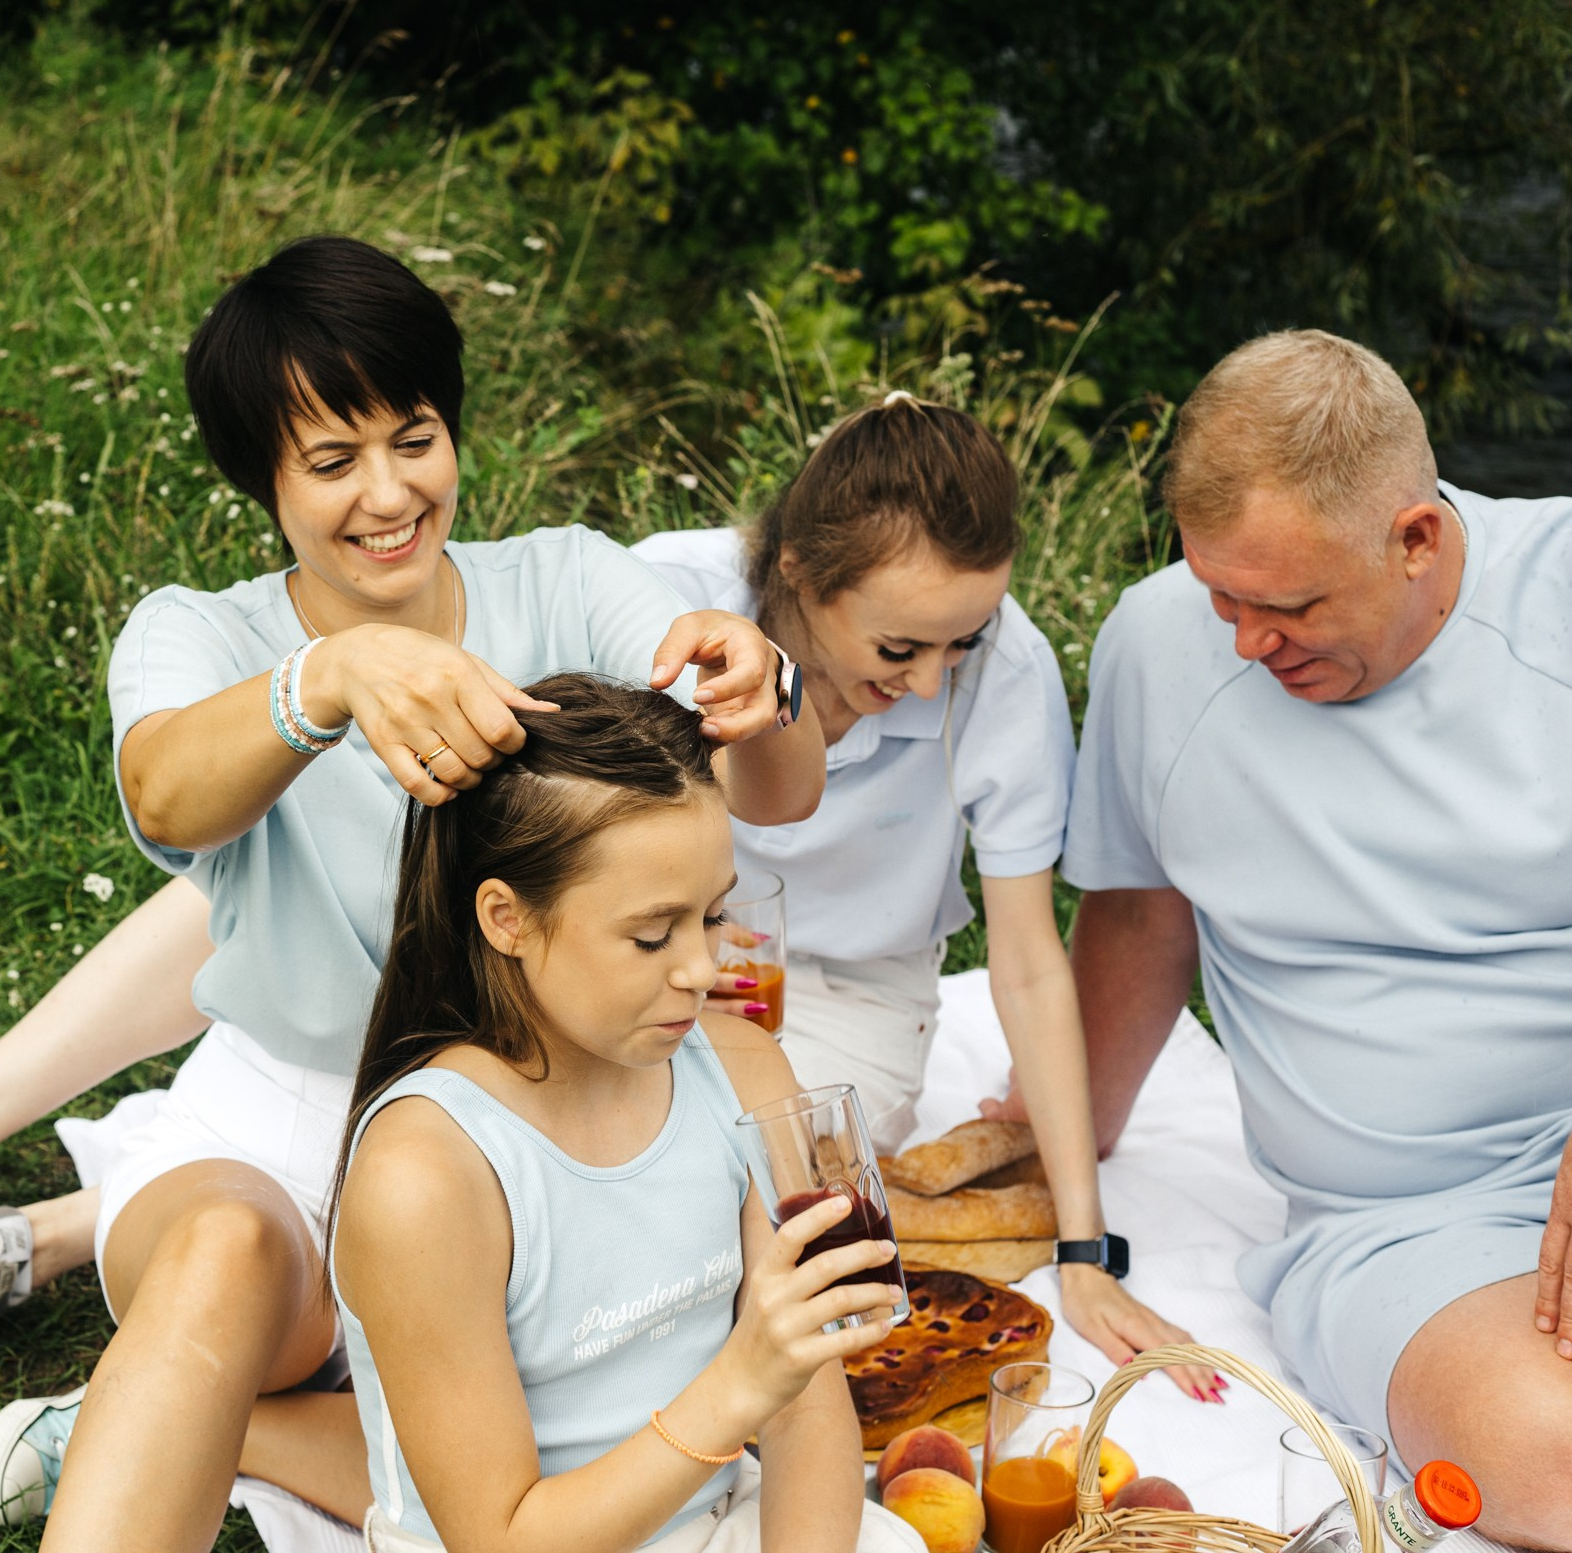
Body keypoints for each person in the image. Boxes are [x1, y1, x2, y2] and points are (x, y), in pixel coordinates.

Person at [0, 235, 821, 1546]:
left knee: (573, 1422)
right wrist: (328, 680)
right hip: (286, 1140)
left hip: (543, 1118)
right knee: (222, 1260)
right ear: (264, 480)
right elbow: (165, 793)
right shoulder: (204, 634)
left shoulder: (567, 579)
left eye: (413, 438)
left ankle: (175, 1428)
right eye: (332, 461)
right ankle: (191, 1398)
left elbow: (771, 787)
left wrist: (764, 682)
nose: (388, 493)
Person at [1051, 329, 1572, 1546]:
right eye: (1218, 595)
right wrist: (1063, 1131)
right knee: (1550, 1453)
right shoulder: (1153, 642)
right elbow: (1138, 911)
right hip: (1406, 1223)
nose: (1242, 642)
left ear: (1417, 539)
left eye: (1286, 604)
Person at [629, 394, 1211, 1394]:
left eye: (964, 644)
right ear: (798, 571)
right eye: (899, 649)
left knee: (770, 1193)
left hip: (860, 989)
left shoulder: (1012, 675)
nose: (937, 683)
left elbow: (1028, 963)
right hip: (671, 950)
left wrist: (1084, 1250)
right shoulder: (660, 602)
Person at [316, 672, 918, 1553]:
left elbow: (805, 1410)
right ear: (506, 918)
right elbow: (500, 1537)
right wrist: (743, 1382)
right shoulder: (431, 1172)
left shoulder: (742, 1068)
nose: (702, 971)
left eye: (713, 917)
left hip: (710, 1517)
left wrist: (777, 1378)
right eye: (651, 935)